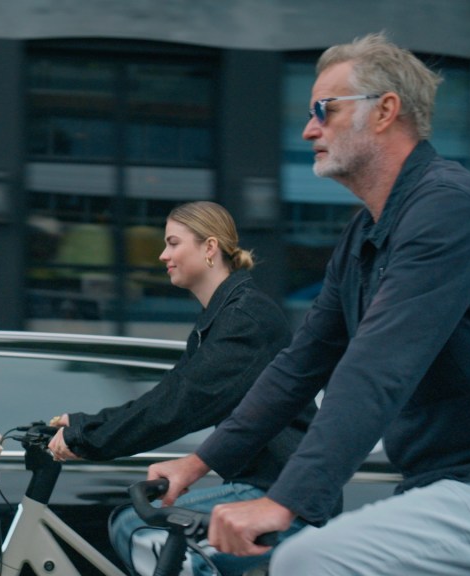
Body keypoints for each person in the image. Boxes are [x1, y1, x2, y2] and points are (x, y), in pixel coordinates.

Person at [147, 32, 470, 575]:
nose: (309, 129)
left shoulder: (448, 210)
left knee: (309, 558)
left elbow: (376, 367)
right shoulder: (364, 235)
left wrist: (284, 501)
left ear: (385, 111)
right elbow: (298, 366)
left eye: (324, 110)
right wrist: (198, 463)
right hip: (445, 484)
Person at [47, 201, 316, 576]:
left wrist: (87, 437)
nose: (163, 255)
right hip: (265, 486)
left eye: (173, 243)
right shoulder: (220, 318)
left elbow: (182, 403)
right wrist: (86, 424)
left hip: (282, 495)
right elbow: (168, 393)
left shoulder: (245, 319)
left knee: (136, 528)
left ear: (209, 247)